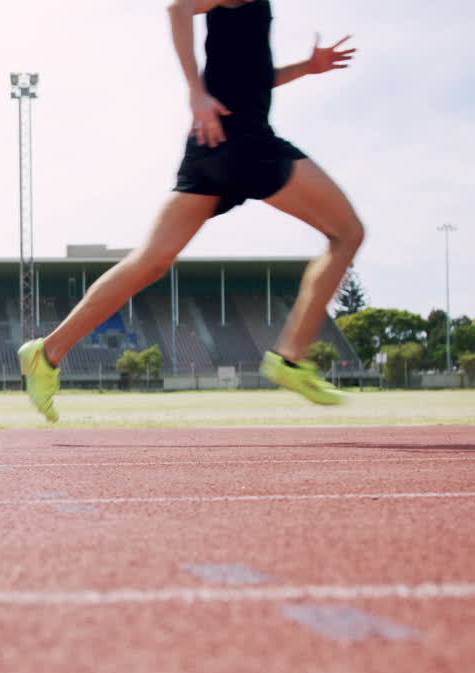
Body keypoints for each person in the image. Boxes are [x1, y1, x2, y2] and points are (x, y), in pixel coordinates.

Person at [18, 0, 360, 422]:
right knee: (347, 233)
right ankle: (291, 357)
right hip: (242, 140)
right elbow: (179, 7)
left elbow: (250, 78)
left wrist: (305, 69)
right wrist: (195, 93)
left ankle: (46, 352)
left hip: (210, 144)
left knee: (150, 262)